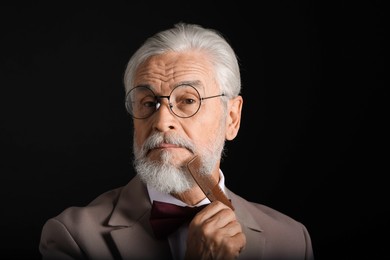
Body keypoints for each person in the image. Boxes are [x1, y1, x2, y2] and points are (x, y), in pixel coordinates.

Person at [39, 22, 314, 260]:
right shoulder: (72, 237)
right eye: (148, 103)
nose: (160, 122)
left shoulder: (291, 241)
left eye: (187, 100)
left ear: (231, 118)